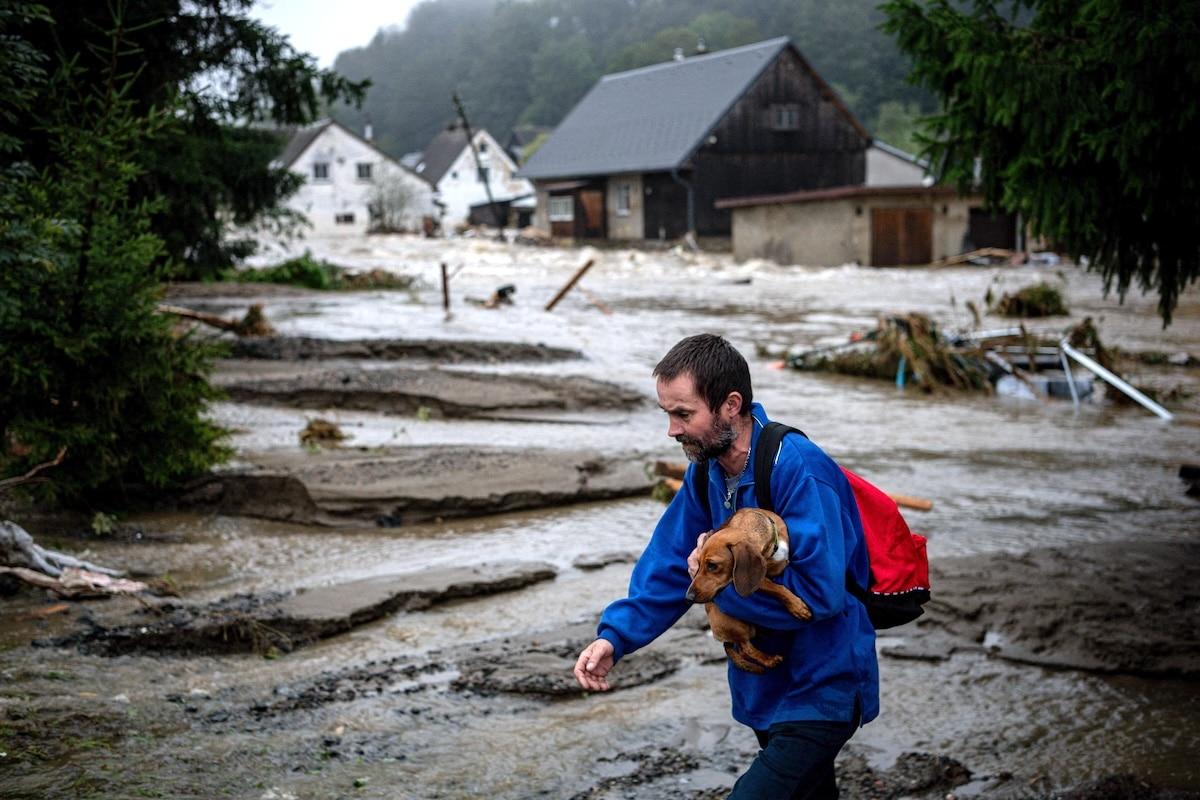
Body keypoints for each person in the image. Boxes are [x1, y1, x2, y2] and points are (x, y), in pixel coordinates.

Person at [573, 333, 878, 799]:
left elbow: (820, 595)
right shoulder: (708, 471)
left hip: (822, 686)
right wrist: (615, 637)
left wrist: (721, 583)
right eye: (667, 414)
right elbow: (670, 562)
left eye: (684, 414)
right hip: (763, 685)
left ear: (731, 405)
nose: (672, 430)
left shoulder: (799, 468)